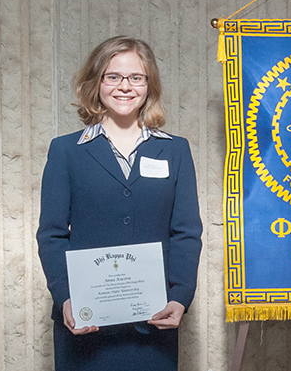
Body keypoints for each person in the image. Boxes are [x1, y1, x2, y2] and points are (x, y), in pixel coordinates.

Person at [37, 36, 203, 370]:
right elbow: (52, 234)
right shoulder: (65, 151)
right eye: (112, 76)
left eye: (136, 78)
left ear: (149, 85)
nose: (124, 87)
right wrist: (67, 298)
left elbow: (186, 232)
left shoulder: (175, 150)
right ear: (96, 83)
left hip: (154, 322)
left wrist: (180, 297)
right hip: (86, 324)